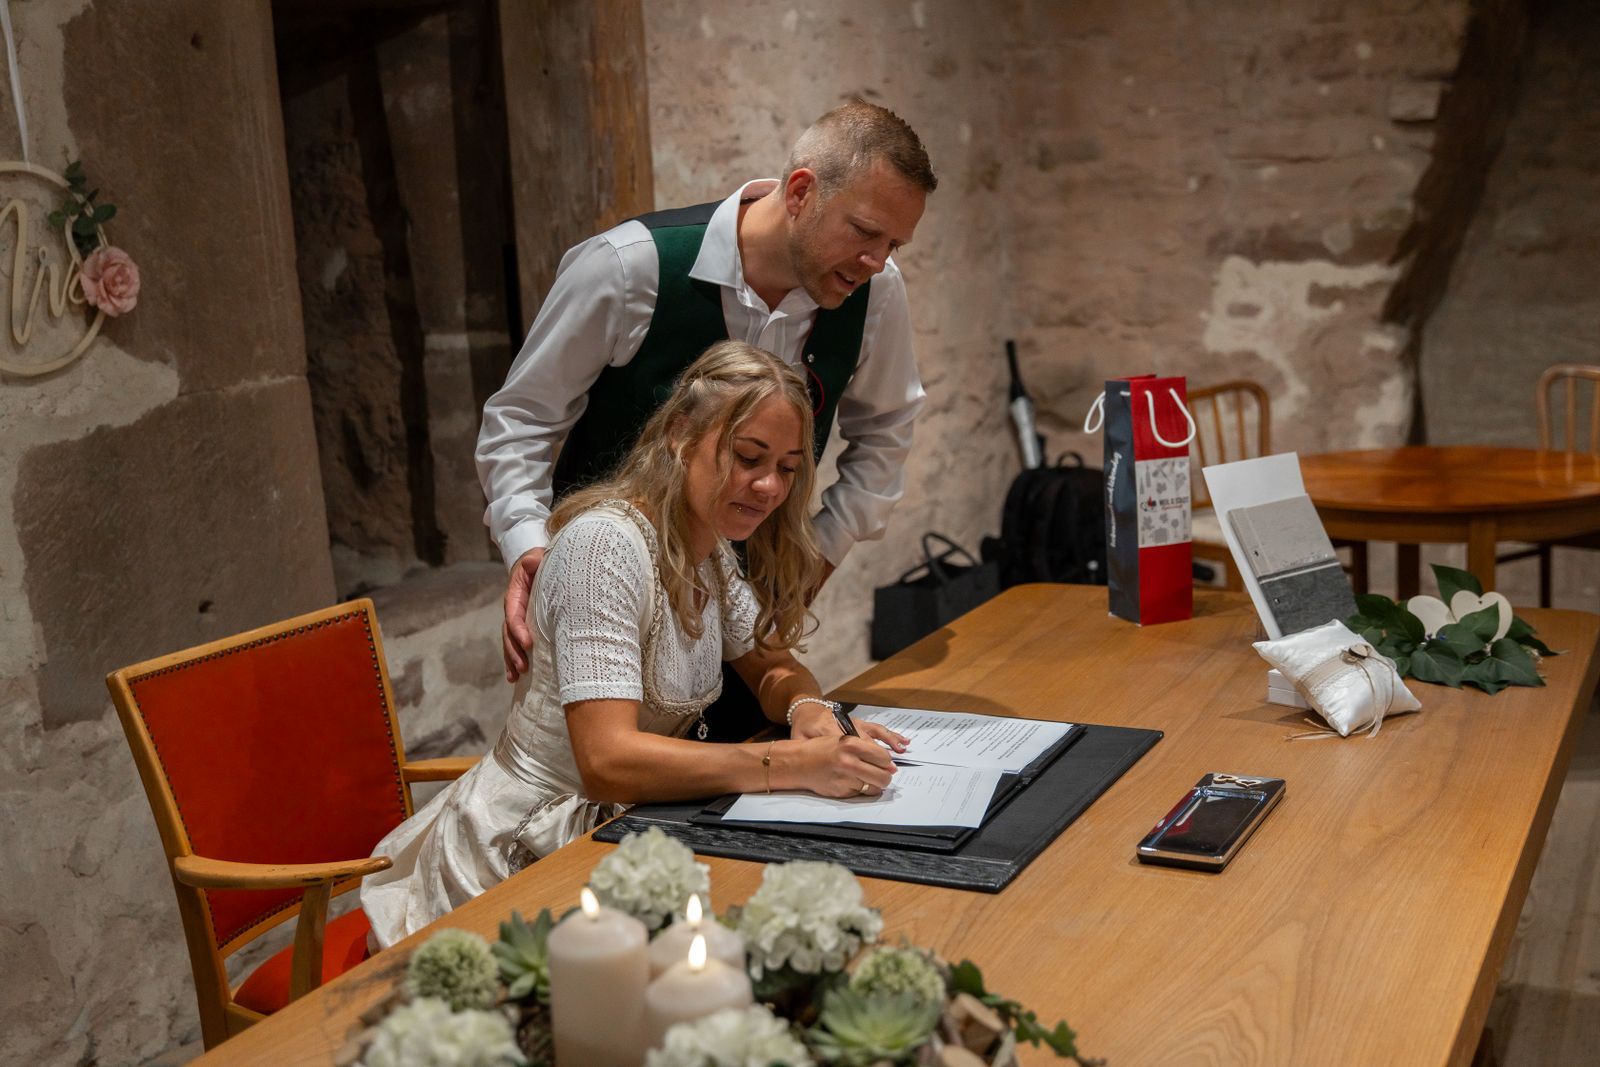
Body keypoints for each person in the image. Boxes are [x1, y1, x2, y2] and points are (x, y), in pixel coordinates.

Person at [363, 342, 909, 948]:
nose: (768, 486)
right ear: (681, 433)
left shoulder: (708, 546)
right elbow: (607, 761)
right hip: (523, 851)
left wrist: (810, 710)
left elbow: (772, 662)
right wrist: (788, 766)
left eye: (786, 467)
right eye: (747, 456)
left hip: (632, 831)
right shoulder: (605, 549)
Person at [477, 100, 937, 740]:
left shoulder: (876, 292)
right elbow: (521, 419)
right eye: (865, 231)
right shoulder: (628, 267)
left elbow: (885, 437)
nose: (877, 261)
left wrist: (813, 563)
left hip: (755, 625)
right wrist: (532, 548)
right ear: (801, 191)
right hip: (615, 600)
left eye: (894, 244)